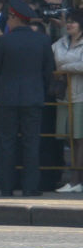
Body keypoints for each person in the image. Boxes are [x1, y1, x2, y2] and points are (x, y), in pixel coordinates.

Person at [0, 0, 55, 196]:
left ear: (14, 17)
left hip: (7, 97)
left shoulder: (5, 40)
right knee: (31, 143)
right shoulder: (43, 40)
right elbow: (48, 71)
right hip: (33, 97)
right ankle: (30, 187)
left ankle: (6, 187)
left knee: (7, 143)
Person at [53, 10, 83, 193]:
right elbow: (50, 59)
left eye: (74, 22)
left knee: (79, 139)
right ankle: (75, 180)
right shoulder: (60, 42)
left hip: (80, 96)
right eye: (68, 21)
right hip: (64, 96)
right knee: (70, 138)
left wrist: (65, 67)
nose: (69, 24)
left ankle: (75, 180)